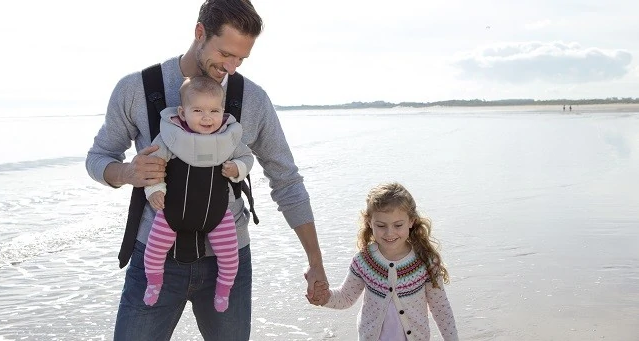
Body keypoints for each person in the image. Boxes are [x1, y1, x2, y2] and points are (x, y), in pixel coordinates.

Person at [85, 0, 328, 340]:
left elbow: (286, 180)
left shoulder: (252, 99)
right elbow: (98, 158)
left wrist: (315, 261)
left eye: (241, 59)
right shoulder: (137, 89)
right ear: (200, 33)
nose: (231, 67)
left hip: (228, 261)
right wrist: (127, 173)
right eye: (226, 54)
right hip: (155, 257)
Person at [142, 76, 253, 312]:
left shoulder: (228, 139)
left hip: (217, 213)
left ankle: (223, 290)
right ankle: (154, 282)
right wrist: (154, 190)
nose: (207, 117)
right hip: (171, 210)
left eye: (214, 110)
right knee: (154, 249)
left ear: (223, 111)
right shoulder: (170, 137)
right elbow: (153, 164)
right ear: (182, 113)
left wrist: (237, 169)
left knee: (230, 255)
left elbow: (247, 158)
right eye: (198, 110)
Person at [315, 182, 458, 341]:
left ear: (411, 221)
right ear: (369, 222)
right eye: (381, 225)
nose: (390, 233)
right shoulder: (364, 260)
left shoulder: (426, 261)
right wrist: (325, 297)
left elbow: (440, 308)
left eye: (398, 225)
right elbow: (346, 297)